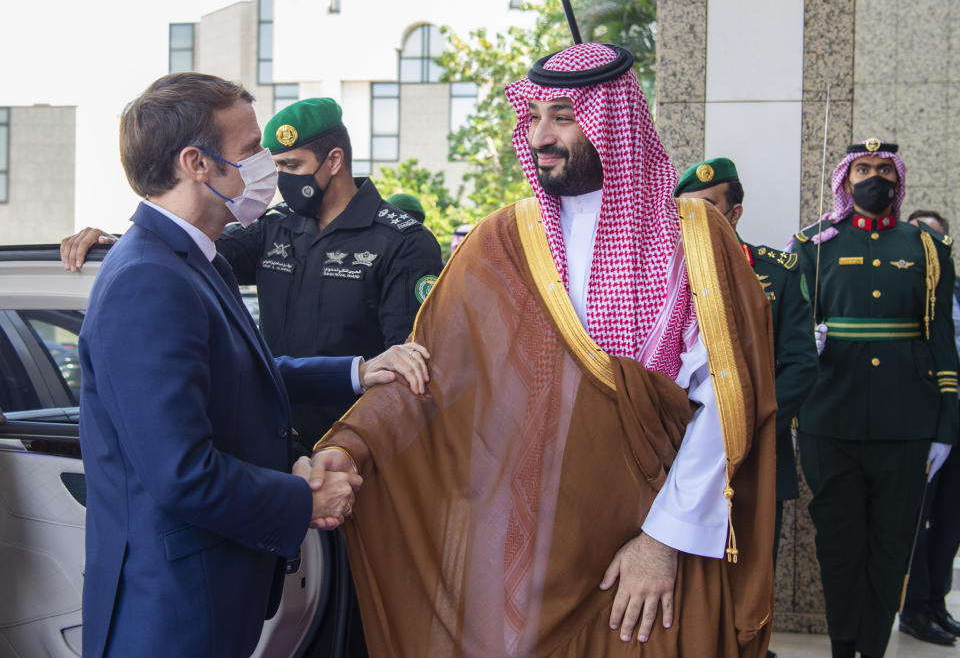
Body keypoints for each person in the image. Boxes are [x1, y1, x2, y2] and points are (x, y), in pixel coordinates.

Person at [307, 42, 777, 658]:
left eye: (564, 115)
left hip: (653, 540)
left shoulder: (692, 232)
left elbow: (723, 400)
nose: (541, 135)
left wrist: (663, 541)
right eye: (533, 117)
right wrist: (352, 444)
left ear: (615, 118)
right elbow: (433, 373)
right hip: (536, 547)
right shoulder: (503, 238)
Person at [79, 73, 430, 658]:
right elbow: (181, 473)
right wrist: (303, 501)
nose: (264, 166)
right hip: (172, 609)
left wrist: (358, 371)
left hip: (217, 586)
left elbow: (249, 368)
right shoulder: (149, 279)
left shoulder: (195, 259)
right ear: (197, 162)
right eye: (250, 152)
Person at [61, 97, 444, 444]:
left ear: (334, 161)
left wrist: (349, 448)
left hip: (359, 449)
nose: (281, 179)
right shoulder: (273, 228)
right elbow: (187, 250)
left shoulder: (401, 242)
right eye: (275, 166)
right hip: (277, 443)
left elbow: (404, 370)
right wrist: (114, 241)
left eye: (292, 165)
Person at [790, 140, 958, 658]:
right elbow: (793, 326)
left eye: (885, 169)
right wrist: (807, 345)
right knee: (839, 547)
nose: (874, 177)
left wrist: (945, 428)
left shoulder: (927, 247)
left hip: (907, 422)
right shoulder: (814, 243)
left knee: (891, 547)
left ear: (898, 178)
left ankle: (873, 648)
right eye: (863, 169)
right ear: (845, 179)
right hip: (829, 418)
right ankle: (844, 649)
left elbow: (942, 344)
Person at [675, 157, 818, 566]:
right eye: (685, 209)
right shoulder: (664, 276)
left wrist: (744, 420)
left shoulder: (779, 272)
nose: (693, 219)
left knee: (749, 579)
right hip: (677, 448)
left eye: (707, 207)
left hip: (755, 448)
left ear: (734, 213)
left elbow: (802, 366)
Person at [899, 209, 960, 645]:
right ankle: (914, 608)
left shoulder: (955, 289)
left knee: (951, 518)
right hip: (922, 417)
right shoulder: (906, 292)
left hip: (956, 418)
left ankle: (937, 602)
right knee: (918, 517)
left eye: (937, 239)